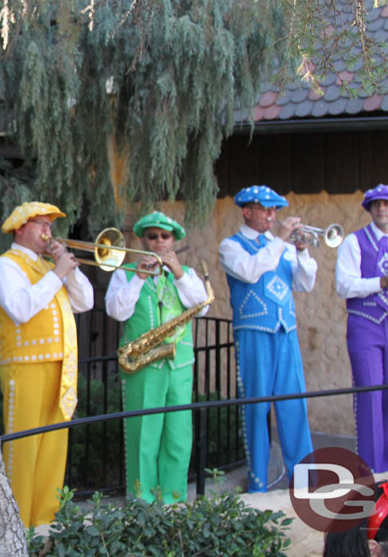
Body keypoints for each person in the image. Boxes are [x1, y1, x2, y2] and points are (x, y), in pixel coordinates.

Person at [0, 202, 93, 526]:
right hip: (25, 368)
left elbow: (85, 301)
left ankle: (46, 525)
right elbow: (21, 308)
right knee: (24, 450)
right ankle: (17, 527)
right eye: (40, 224)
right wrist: (58, 273)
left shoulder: (49, 267)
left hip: (60, 366)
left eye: (49, 224)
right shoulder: (5, 266)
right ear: (20, 228)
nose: (48, 231)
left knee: (53, 449)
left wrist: (68, 269)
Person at [105, 211, 210, 504]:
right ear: (143, 240)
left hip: (179, 363)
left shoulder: (186, 273)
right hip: (143, 364)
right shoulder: (124, 273)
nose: (159, 242)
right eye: (153, 236)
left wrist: (178, 274)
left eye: (165, 236)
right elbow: (117, 311)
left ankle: (174, 498)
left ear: (173, 240)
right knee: (144, 435)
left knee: (178, 434)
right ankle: (143, 500)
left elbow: (202, 308)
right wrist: (138, 277)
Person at [218, 184, 317, 492]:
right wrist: (281, 241)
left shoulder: (283, 246)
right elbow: (249, 271)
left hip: (286, 330)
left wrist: (302, 251)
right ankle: (258, 484)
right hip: (254, 333)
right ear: (247, 211)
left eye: (275, 210)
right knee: (256, 408)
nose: (272, 215)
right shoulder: (230, 245)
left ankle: (303, 482)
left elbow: (305, 283)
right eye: (266, 209)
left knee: (294, 405)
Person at [335, 184, 388, 473]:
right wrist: (379, 282)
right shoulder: (354, 242)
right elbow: (343, 285)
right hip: (366, 324)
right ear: (368, 209)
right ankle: (373, 479)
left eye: (386, 204)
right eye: (376, 204)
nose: (382, 209)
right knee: (370, 397)